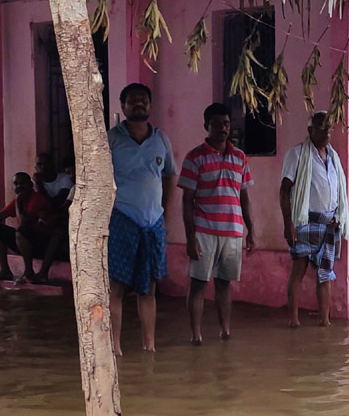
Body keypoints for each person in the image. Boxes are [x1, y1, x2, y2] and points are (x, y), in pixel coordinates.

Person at [178, 102, 256, 345]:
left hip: (232, 232)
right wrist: (190, 238)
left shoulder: (240, 157)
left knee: (224, 285)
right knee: (199, 284)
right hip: (204, 231)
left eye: (226, 124)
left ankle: (225, 331)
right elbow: (187, 200)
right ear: (206, 126)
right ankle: (196, 335)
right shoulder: (194, 157)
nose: (223, 128)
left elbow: (244, 196)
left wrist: (251, 230)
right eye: (217, 124)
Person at [108, 83, 176, 353]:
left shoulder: (161, 140)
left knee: (148, 289)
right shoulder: (111, 139)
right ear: (122, 106)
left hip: (153, 224)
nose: (139, 104)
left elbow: (170, 176)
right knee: (117, 287)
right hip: (120, 219)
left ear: (149, 105)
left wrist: (165, 215)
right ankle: (114, 348)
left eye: (143, 100)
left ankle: (150, 347)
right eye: (133, 100)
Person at [279, 111, 349, 327]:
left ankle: (325, 321)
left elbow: (339, 191)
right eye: (322, 127)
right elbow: (284, 190)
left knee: (325, 274)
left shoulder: (333, 157)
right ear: (310, 130)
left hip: (328, 224)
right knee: (298, 270)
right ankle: (294, 320)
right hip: (304, 222)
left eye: (329, 127)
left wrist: (340, 217)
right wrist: (288, 224)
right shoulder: (297, 154)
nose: (327, 131)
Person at [0, 172, 53, 285]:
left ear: (30, 184)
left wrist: (18, 203)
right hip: (26, 242)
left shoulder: (37, 199)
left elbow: (23, 223)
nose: (19, 186)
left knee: (21, 232)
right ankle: (4, 270)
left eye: (22, 183)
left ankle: (28, 272)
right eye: (16, 184)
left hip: (42, 244)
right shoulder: (19, 200)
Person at [30, 153, 73, 283]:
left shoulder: (65, 180)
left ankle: (43, 272)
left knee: (57, 231)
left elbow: (59, 204)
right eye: (39, 164)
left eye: (45, 164)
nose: (42, 168)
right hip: (49, 220)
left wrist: (39, 186)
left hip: (66, 220)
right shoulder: (33, 184)